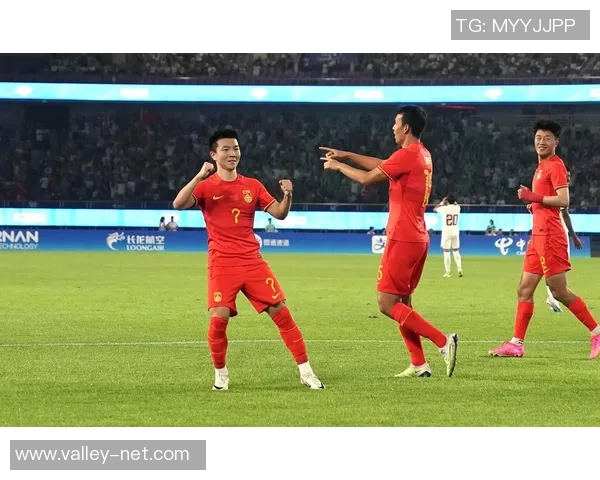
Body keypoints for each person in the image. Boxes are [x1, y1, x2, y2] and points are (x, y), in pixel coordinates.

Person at [173, 128, 325, 390]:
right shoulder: (206, 186)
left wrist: (288, 196)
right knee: (218, 320)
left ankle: (306, 372)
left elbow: (279, 214)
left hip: (252, 262)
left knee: (282, 313)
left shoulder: (252, 185)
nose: (232, 153)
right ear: (213, 155)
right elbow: (179, 204)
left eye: (236, 148)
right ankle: (221, 376)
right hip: (222, 263)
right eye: (226, 149)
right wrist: (199, 175)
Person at [319, 105, 458, 378]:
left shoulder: (407, 155)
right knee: (403, 302)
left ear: (406, 127)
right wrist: (347, 154)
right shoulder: (421, 154)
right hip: (418, 236)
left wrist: (339, 166)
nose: (392, 128)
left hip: (403, 237)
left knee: (386, 303)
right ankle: (419, 363)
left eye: (395, 123)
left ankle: (443, 341)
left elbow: (367, 179)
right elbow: (382, 164)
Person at [489, 120, 600, 359]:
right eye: (538, 137)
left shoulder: (555, 166)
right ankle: (516, 344)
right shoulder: (541, 167)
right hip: (537, 236)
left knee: (559, 292)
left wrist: (533, 197)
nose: (541, 142)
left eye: (547, 138)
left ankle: (596, 331)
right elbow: (548, 201)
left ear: (556, 142)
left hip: (550, 236)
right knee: (524, 289)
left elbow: (564, 201)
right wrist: (535, 205)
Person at [433, 195, 463, 277]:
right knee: (456, 251)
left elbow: (435, 209)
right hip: (455, 232)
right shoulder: (457, 208)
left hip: (446, 232)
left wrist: (442, 202)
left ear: (447, 201)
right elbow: (456, 204)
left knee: (446, 252)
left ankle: (448, 272)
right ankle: (459, 268)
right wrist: (453, 201)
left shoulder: (444, 208)